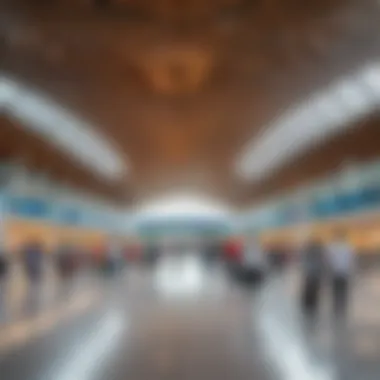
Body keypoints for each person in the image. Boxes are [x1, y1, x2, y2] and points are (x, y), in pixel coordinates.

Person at [326, 230, 355, 315]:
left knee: (335, 293)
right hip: (344, 274)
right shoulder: (348, 247)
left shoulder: (331, 247)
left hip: (335, 274)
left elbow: (328, 261)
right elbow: (351, 261)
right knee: (343, 293)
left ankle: (336, 309)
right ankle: (342, 310)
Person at [301, 237, 325, 315]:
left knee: (310, 291)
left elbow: (306, 265)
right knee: (313, 292)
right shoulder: (318, 254)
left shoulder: (309, 254)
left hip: (311, 275)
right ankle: (311, 306)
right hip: (315, 276)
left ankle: (309, 306)